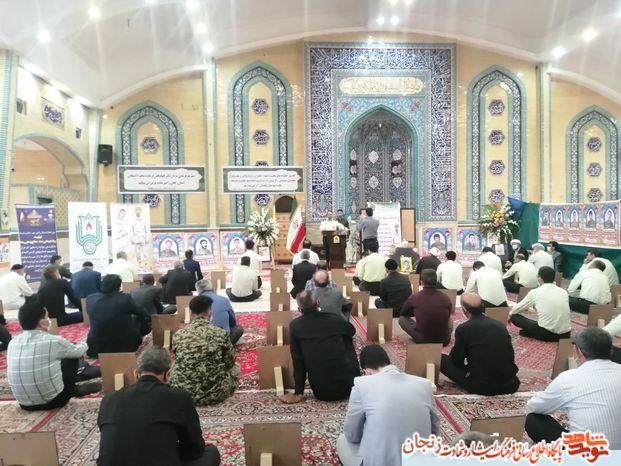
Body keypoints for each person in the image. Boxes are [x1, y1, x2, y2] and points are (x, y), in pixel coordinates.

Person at [97, 346, 221, 466]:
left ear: (136, 374)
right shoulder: (178, 397)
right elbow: (194, 450)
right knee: (211, 453)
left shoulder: (108, 399)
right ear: (168, 374)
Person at [337, 345, 440, 466]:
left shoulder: (362, 384)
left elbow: (352, 434)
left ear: (367, 371)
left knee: (343, 440)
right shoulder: (424, 384)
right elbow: (434, 430)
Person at [525, 328, 621, 449]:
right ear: (611, 350)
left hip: (584, 453)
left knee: (532, 420)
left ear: (579, 351)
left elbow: (534, 407)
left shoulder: (568, 378)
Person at [7, 301, 101, 411]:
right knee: (70, 357)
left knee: (57, 356)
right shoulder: (53, 341)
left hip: (24, 404)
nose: (49, 319)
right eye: (47, 317)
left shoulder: (13, 343)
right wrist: (82, 343)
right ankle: (73, 388)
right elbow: (79, 351)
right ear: (42, 323)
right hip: (55, 400)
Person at [281, 291, 360, 403]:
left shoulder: (295, 326)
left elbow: (298, 361)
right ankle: (353, 373)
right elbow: (351, 331)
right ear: (318, 303)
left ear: (299, 309)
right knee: (346, 338)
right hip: (350, 387)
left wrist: (298, 392)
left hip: (322, 391)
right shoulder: (333, 319)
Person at [440, 293, 519, 395]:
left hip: (483, 387)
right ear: (483, 306)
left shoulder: (463, 329)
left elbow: (457, 360)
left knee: (441, 359)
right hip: (510, 384)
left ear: (464, 310)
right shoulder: (499, 325)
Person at [170, 295, 239, 405]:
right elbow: (230, 362)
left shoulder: (178, 335)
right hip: (216, 393)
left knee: (175, 364)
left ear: (191, 313)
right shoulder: (220, 333)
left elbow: (178, 358)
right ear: (210, 312)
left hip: (183, 393)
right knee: (236, 367)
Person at [86, 274, 151, 358]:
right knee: (138, 317)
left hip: (95, 348)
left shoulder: (90, 298)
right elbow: (142, 312)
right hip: (122, 348)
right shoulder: (125, 298)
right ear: (119, 286)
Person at [509, 266, 571, 341]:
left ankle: (530, 333)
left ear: (540, 278)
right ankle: (529, 333)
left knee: (514, 317)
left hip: (546, 334)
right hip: (565, 334)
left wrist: (510, 315)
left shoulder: (535, 292)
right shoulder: (563, 292)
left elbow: (516, 309)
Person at [399, 269, 453, 345]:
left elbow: (403, 313)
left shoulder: (415, 297)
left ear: (422, 282)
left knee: (402, 319)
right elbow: (449, 312)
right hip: (444, 340)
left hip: (422, 339)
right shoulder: (445, 297)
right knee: (449, 319)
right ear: (436, 281)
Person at [196, 279, 244, 344]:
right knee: (238, 329)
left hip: (202, 342)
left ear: (198, 290)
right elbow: (232, 321)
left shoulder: (194, 303)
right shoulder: (223, 299)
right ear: (212, 288)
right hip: (223, 341)